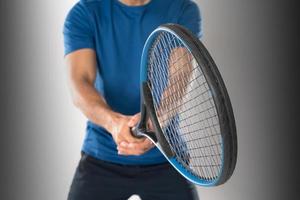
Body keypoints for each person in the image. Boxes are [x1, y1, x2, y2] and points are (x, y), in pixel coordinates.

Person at [63, 0, 202, 199]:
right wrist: (114, 123)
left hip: (168, 158)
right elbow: (79, 83)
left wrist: (156, 124)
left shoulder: (182, 8)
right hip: (102, 156)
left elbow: (181, 76)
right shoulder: (84, 12)